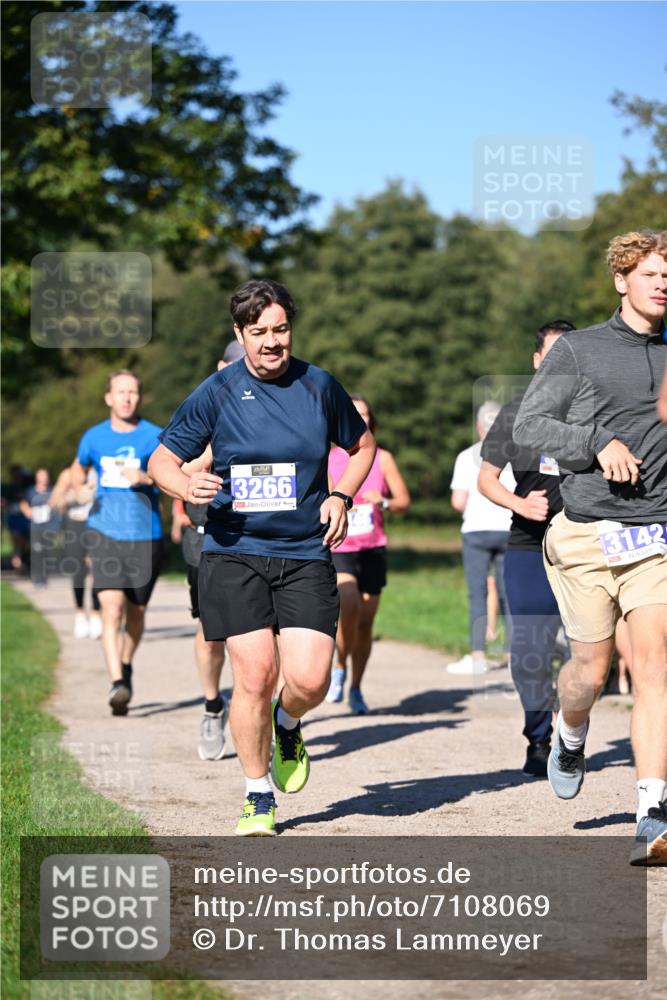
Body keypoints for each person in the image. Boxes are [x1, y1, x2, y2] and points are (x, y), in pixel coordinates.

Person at [149, 279, 375, 836]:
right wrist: (183, 484)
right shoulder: (217, 391)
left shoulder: (319, 385)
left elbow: (362, 445)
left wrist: (342, 495)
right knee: (253, 675)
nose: (272, 343)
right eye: (259, 333)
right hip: (235, 550)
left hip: (304, 551)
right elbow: (160, 460)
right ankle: (256, 796)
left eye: (280, 330)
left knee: (312, 678)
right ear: (239, 334)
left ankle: (289, 720)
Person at [513, 230, 667, 865]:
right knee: (590, 672)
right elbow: (529, 425)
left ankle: (652, 811)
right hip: (584, 534)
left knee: (655, 665)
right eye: (652, 273)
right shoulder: (578, 350)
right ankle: (569, 730)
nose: (663, 284)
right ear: (622, 280)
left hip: (656, 533)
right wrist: (596, 443)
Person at [478, 320, 575, 776]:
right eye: (550, 357)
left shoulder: (597, 413)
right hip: (529, 546)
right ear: (537, 362)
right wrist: (520, 502)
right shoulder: (515, 413)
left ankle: (573, 734)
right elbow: (485, 480)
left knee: (587, 651)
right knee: (530, 648)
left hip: (584, 547)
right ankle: (539, 738)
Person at [170, 339, 247, 760]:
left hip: (260, 532)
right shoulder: (203, 406)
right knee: (210, 630)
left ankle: (256, 710)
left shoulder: (274, 404)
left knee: (263, 634)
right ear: (222, 366)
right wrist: (216, 451)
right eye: (236, 365)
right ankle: (213, 705)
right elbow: (174, 467)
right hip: (206, 533)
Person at [71, 371, 163, 716]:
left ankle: (125, 665)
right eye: (121, 392)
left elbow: (172, 476)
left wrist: (147, 477)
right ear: (108, 397)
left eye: (133, 392)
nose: (127, 398)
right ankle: (116, 683)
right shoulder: (93, 437)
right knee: (111, 608)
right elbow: (78, 471)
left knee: (136, 613)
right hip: (104, 531)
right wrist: (79, 488)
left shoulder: (154, 436)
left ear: (139, 397)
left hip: (145, 534)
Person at [326, 396, 411, 713]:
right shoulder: (329, 457)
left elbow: (404, 501)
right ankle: (338, 665)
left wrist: (384, 502)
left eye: (363, 415)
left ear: (370, 420)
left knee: (364, 624)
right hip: (340, 547)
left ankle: (356, 687)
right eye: (353, 415)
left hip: (373, 548)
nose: (358, 420)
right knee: (346, 609)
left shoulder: (383, 458)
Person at [448, 401, 515, 674]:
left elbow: (457, 501)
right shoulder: (516, 454)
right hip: (509, 529)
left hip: (476, 531)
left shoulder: (467, 456)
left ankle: (477, 656)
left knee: (477, 594)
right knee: (509, 594)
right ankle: (513, 658)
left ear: (478, 426)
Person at [50, 466, 102, 639]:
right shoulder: (68, 474)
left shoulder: (101, 470)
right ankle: (80, 613)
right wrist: (73, 495)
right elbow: (54, 501)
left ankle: (96, 613)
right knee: (78, 571)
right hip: (75, 525)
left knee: (98, 569)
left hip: (98, 525)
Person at [20, 467, 55, 587]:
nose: (44, 478)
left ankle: (45, 577)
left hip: (49, 526)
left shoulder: (52, 491)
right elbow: (23, 503)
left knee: (46, 552)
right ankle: (37, 578)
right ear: (37, 477)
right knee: (36, 551)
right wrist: (28, 512)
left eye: (45, 475)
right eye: (41, 475)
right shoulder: (30, 491)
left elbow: (57, 504)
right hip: (35, 526)